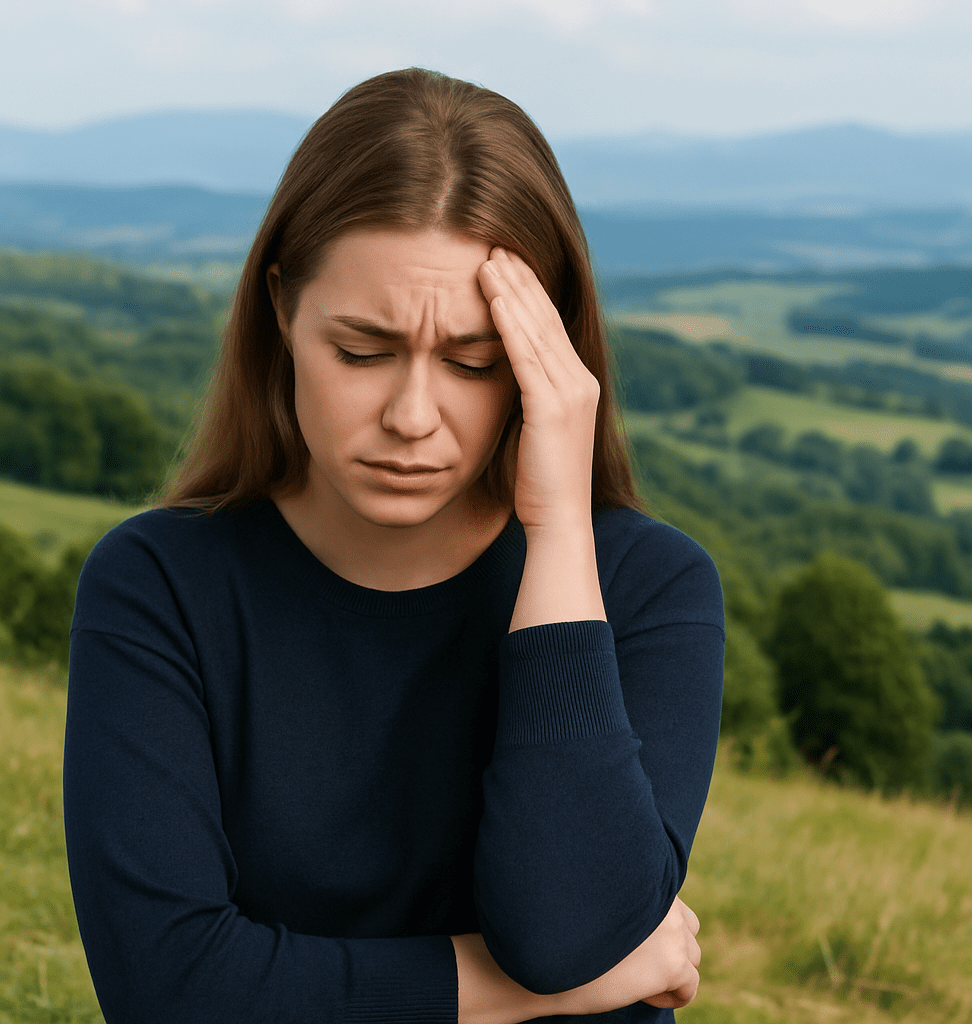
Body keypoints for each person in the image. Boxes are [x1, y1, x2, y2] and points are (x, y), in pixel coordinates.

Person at [62, 68, 724, 1023]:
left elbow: (565, 929)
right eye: (363, 352)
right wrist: (520, 993)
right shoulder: (160, 585)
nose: (413, 416)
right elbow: (166, 990)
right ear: (283, 309)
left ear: (545, 363)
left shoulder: (649, 587)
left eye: (472, 362)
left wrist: (563, 539)